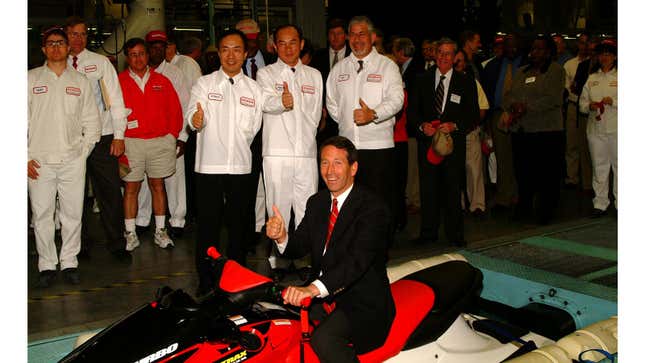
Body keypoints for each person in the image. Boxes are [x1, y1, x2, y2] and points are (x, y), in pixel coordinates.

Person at [266, 136, 395, 363]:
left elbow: (356, 263)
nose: (330, 171)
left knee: (324, 340)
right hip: (324, 294)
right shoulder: (317, 202)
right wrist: (282, 236)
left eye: (338, 163)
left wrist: (312, 290)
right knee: (277, 321)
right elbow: (300, 244)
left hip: (361, 299)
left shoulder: (373, 207)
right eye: (324, 163)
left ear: (353, 167)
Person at [185, 29, 264, 296]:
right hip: (209, 167)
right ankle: (206, 280)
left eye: (237, 50)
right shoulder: (204, 84)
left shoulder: (254, 89)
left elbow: (254, 128)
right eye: (226, 50)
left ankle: (237, 277)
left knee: (238, 227)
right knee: (208, 227)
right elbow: (194, 113)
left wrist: (237, 144)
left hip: (241, 168)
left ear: (245, 54)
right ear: (218, 53)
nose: (231, 55)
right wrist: (196, 121)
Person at [29, 27, 101, 287]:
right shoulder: (30, 79)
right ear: (43, 49)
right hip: (39, 161)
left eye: (61, 42)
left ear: (68, 47)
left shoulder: (80, 81)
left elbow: (92, 123)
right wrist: (24, 158)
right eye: (51, 43)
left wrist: (82, 155)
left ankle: (70, 261)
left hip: (72, 160)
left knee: (72, 215)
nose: (56, 47)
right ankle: (47, 264)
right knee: (42, 216)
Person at [256, 24, 323, 274]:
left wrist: (306, 139)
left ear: (301, 44)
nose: (287, 48)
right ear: (274, 45)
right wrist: (280, 102)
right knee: (278, 207)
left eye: (292, 42)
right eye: (281, 43)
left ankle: (307, 259)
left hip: (306, 152)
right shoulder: (266, 74)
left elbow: (316, 116)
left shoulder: (314, 75)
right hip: (276, 153)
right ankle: (277, 260)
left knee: (308, 208)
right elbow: (264, 102)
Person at [64, 16, 131, 262]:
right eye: (73, 34)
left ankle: (117, 243)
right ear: (65, 36)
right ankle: (79, 245)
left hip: (103, 137)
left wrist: (119, 135)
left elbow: (116, 99)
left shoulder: (100, 62)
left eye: (82, 34)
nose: (78, 38)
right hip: (71, 140)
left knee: (110, 193)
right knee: (74, 195)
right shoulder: (57, 66)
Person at [326, 15, 404, 220]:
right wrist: (346, 122)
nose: (357, 39)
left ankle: (379, 247)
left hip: (378, 148)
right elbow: (332, 104)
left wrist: (374, 114)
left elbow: (397, 100)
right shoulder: (339, 69)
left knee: (379, 203)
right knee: (350, 203)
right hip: (347, 149)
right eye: (352, 34)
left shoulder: (387, 66)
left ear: (373, 37)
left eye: (362, 34)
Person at [407, 37, 478, 246]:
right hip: (427, 146)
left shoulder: (465, 81)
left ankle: (455, 235)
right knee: (428, 190)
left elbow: (473, 114)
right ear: (435, 54)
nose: (444, 57)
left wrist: (454, 125)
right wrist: (422, 126)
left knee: (452, 190)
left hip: (453, 147)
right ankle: (428, 234)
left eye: (448, 53)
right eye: (440, 53)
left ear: (455, 56)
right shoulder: (421, 79)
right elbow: (412, 112)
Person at [118, 37, 183, 250]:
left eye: (142, 53)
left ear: (148, 56)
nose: (138, 58)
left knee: (158, 186)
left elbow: (175, 110)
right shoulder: (118, 81)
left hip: (159, 143)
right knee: (131, 188)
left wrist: (172, 135)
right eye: (133, 54)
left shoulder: (162, 81)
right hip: (131, 143)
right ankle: (130, 233)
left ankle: (160, 231)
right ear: (127, 58)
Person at [501, 34, 566, 224]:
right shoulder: (522, 72)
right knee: (523, 174)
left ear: (548, 52)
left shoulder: (555, 71)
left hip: (547, 132)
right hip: (523, 132)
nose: (534, 52)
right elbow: (508, 96)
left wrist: (525, 107)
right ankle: (524, 208)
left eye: (539, 49)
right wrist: (513, 106)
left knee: (547, 175)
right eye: (533, 48)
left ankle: (546, 211)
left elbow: (553, 98)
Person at [133, 30, 191, 240]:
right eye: (153, 47)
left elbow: (186, 106)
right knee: (146, 180)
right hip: (145, 137)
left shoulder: (175, 73)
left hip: (170, 136)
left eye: (161, 47)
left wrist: (183, 137)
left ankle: (177, 220)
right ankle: (142, 219)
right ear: (147, 51)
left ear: (166, 49)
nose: (157, 51)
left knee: (174, 179)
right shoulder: (138, 74)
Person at [579, 41, 617, 217]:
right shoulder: (592, 78)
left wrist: (614, 102)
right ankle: (600, 203)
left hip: (617, 129)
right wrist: (590, 106)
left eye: (608, 54)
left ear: (615, 56)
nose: (605, 57)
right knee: (599, 166)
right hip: (596, 130)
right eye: (602, 54)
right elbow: (582, 104)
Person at [454, 49, 488, 215]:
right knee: (454, 172)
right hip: (451, 135)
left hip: (469, 132)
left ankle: (477, 205)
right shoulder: (446, 82)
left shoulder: (472, 82)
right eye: (455, 60)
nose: (457, 64)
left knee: (474, 170)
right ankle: (457, 205)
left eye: (460, 61)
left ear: (465, 63)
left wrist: (472, 124)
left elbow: (482, 108)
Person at [563, 32, 592, 190]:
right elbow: (567, 88)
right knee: (572, 142)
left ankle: (589, 179)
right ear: (577, 45)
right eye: (581, 43)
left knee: (589, 144)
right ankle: (572, 177)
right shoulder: (569, 64)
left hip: (592, 107)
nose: (584, 46)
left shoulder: (596, 63)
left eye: (587, 43)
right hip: (574, 105)